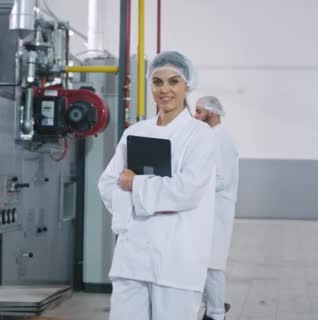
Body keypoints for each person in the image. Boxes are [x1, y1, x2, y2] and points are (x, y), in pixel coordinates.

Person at [98, 51, 218, 320]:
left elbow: (187, 191)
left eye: (173, 81)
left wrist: (136, 184)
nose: (165, 90)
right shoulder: (135, 132)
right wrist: (142, 193)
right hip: (133, 256)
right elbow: (107, 183)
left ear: (188, 85)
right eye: (157, 82)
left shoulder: (200, 135)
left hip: (177, 257)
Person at [194, 96, 239, 320]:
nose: (195, 116)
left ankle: (216, 312)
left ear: (212, 113)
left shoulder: (220, 139)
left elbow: (221, 180)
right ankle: (213, 306)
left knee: (213, 265)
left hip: (217, 210)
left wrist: (191, 187)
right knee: (205, 263)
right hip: (209, 211)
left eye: (199, 112)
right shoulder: (211, 136)